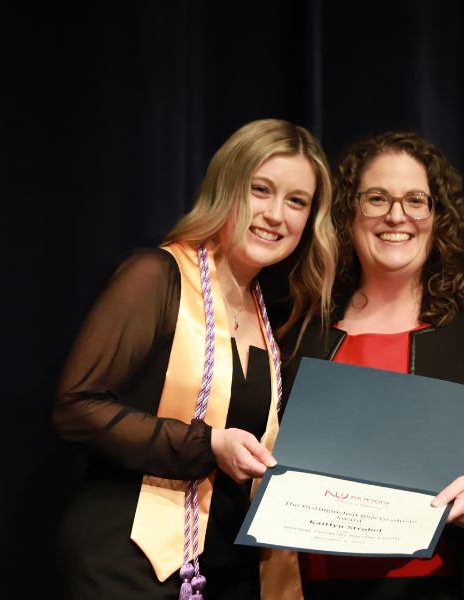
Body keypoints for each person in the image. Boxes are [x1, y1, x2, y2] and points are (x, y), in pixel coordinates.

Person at [52, 119, 336, 599]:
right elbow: (75, 409)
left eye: (296, 202)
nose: (274, 214)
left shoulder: (275, 317)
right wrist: (208, 446)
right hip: (126, 560)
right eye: (260, 189)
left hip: (223, 566)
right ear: (227, 187)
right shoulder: (155, 277)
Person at [284, 131, 464, 600]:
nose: (397, 216)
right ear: (349, 213)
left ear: (438, 216)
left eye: (416, 199)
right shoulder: (299, 325)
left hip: (453, 584)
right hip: (320, 587)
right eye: (377, 199)